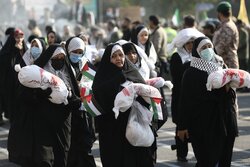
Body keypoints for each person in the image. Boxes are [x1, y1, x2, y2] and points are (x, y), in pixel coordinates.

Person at [8, 44, 82, 167]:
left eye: (62, 58)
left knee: (62, 153)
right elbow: (23, 96)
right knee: (44, 158)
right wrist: (40, 94)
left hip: (63, 122)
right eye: (55, 58)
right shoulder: (37, 74)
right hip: (42, 120)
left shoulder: (68, 74)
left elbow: (74, 95)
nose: (59, 61)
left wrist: (74, 101)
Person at [177, 37, 238, 167]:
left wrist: (228, 88)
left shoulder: (222, 67)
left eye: (209, 46)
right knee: (206, 160)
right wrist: (182, 126)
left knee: (224, 160)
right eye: (203, 48)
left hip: (225, 122)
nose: (208, 50)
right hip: (202, 125)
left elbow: (231, 96)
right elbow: (185, 101)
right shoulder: (191, 72)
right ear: (196, 51)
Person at [92, 43, 155, 167]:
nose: (118, 58)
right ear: (108, 59)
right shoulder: (102, 78)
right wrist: (117, 80)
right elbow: (100, 97)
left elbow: (145, 94)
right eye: (114, 56)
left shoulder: (132, 72)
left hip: (135, 126)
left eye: (121, 55)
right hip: (113, 130)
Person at [65, 37, 96, 167]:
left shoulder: (86, 64)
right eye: (74, 51)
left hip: (85, 112)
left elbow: (94, 82)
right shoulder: (63, 64)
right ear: (68, 50)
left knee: (85, 145)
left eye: (80, 52)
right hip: (70, 112)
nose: (77, 55)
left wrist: (84, 86)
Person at [213, 1, 239, 69]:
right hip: (224, 63)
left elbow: (221, 46)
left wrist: (212, 55)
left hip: (228, 64)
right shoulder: (225, 25)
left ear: (220, 13)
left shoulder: (227, 27)